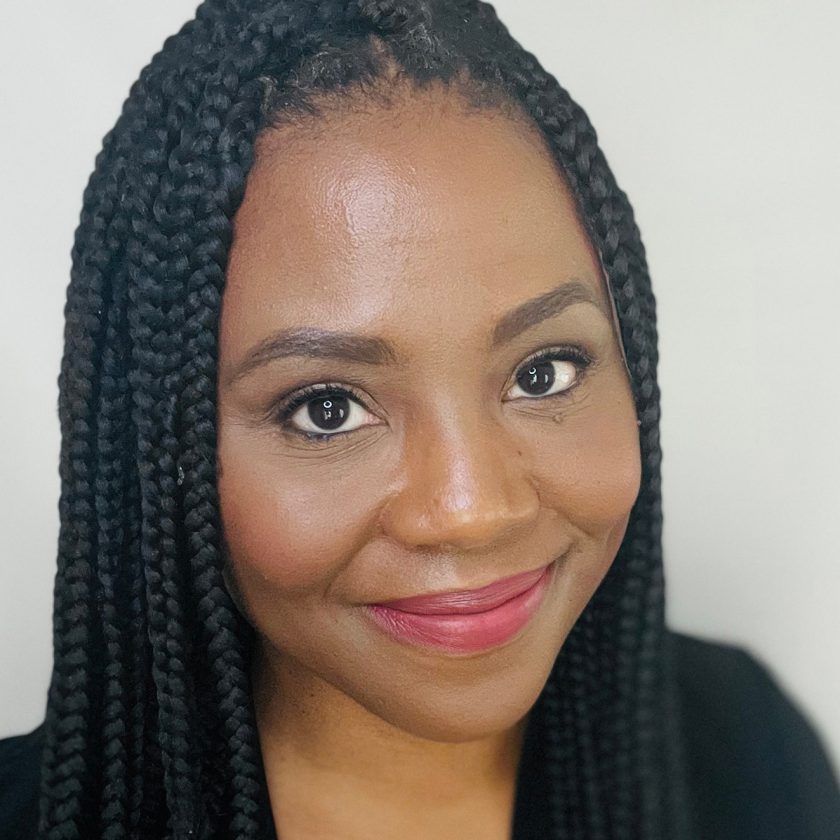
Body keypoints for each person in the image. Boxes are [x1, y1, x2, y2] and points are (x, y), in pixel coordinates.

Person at [1, 1, 838, 838]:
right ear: (162, 454)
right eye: (327, 410)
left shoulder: (748, 749)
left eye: (542, 373)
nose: (472, 510)